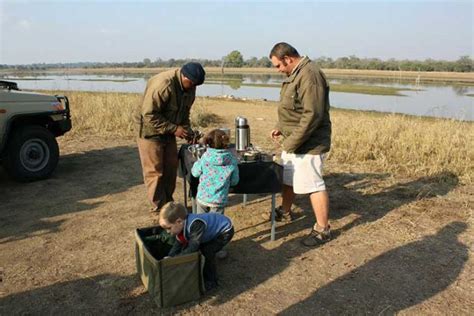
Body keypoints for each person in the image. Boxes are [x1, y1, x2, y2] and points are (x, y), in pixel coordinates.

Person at [268, 42, 332, 247]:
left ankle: (323, 228)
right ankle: (285, 211)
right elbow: (293, 108)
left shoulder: (310, 75)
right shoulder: (295, 74)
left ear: (287, 59)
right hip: (293, 140)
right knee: (288, 178)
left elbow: (312, 114)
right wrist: (281, 126)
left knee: (313, 184)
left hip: (309, 143)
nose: (278, 70)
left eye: (278, 66)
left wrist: (292, 142)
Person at [134, 62, 205, 212]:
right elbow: (149, 115)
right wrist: (174, 129)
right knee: (155, 172)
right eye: (191, 83)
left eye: (196, 85)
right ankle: (159, 209)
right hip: (150, 131)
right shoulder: (163, 85)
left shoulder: (191, 86)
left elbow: (185, 113)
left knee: (170, 168)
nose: (193, 87)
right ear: (183, 76)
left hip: (169, 131)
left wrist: (187, 131)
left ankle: (168, 204)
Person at [159, 202, 234, 291]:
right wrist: (170, 256)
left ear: (179, 221)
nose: (167, 232)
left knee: (207, 251)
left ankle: (211, 281)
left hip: (224, 232)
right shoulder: (182, 226)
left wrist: (176, 259)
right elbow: (178, 243)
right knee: (199, 247)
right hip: (211, 231)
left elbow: (193, 247)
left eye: (169, 228)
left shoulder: (195, 224)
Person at [191, 129, 240, 214]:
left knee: (201, 223)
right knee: (216, 225)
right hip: (219, 200)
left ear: (208, 143)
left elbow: (195, 173)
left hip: (203, 197)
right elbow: (234, 181)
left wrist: (197, 162)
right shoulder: (232, 160)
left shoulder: (205, 157)